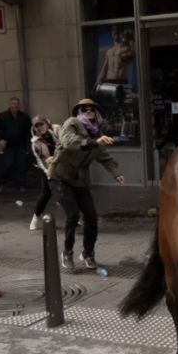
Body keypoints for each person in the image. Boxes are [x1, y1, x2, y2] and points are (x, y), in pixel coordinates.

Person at [49, 100, 125, 270]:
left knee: (91, 216)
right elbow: (70, 142)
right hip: (60, 177)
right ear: (79, 112)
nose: (89, 112)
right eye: (85, 109)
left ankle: (88, 253)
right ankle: (67, 253)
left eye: (92, 109)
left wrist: (116, 173)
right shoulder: (72, 124)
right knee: (73, 215)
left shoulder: (97, 133)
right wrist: (94, 142)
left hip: (79, 180)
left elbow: (104, 157)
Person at [0, 97, 32, 192]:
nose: (15, 105)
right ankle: (1, 182)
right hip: (8, 145)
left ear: (19, 105)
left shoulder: (24, 116)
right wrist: (0, 139)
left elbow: (29, 131)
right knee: (8, 164)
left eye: (17, 104)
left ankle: (21, 185)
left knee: (21, 165)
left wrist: (29, 145)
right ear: (9, 104)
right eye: (13, 103)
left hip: (21, 145)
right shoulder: (2, 116)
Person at [29, 115, 57, 231]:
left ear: (47, 123)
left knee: (67, 192)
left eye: (42, 124)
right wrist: (48, 174)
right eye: (37, 126)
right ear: (34, 128)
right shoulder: (35, 142)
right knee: (46, 194)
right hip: (47, 169)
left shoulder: (55, 132)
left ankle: (74, 218)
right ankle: (35, 217)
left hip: (62, 166)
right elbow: (40, 162)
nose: (40, 127)